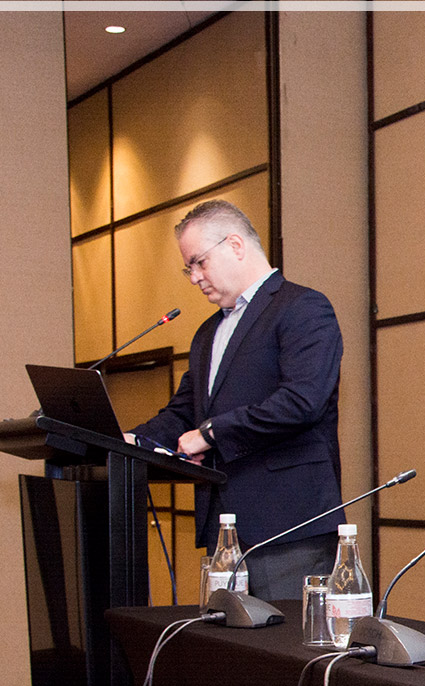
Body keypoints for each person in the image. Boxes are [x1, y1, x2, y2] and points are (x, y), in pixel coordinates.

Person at [129, 199, 345, 601]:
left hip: (288, 528)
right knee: (224, 640)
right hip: (223, 532)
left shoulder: (302, 307)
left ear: (235, 245)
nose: (194, 278)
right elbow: (184, 413)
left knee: (286, 640)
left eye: (199, 263)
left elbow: (302, 401)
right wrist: (131, 440)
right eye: (188, 268)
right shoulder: (208, 332)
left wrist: (211, 433)